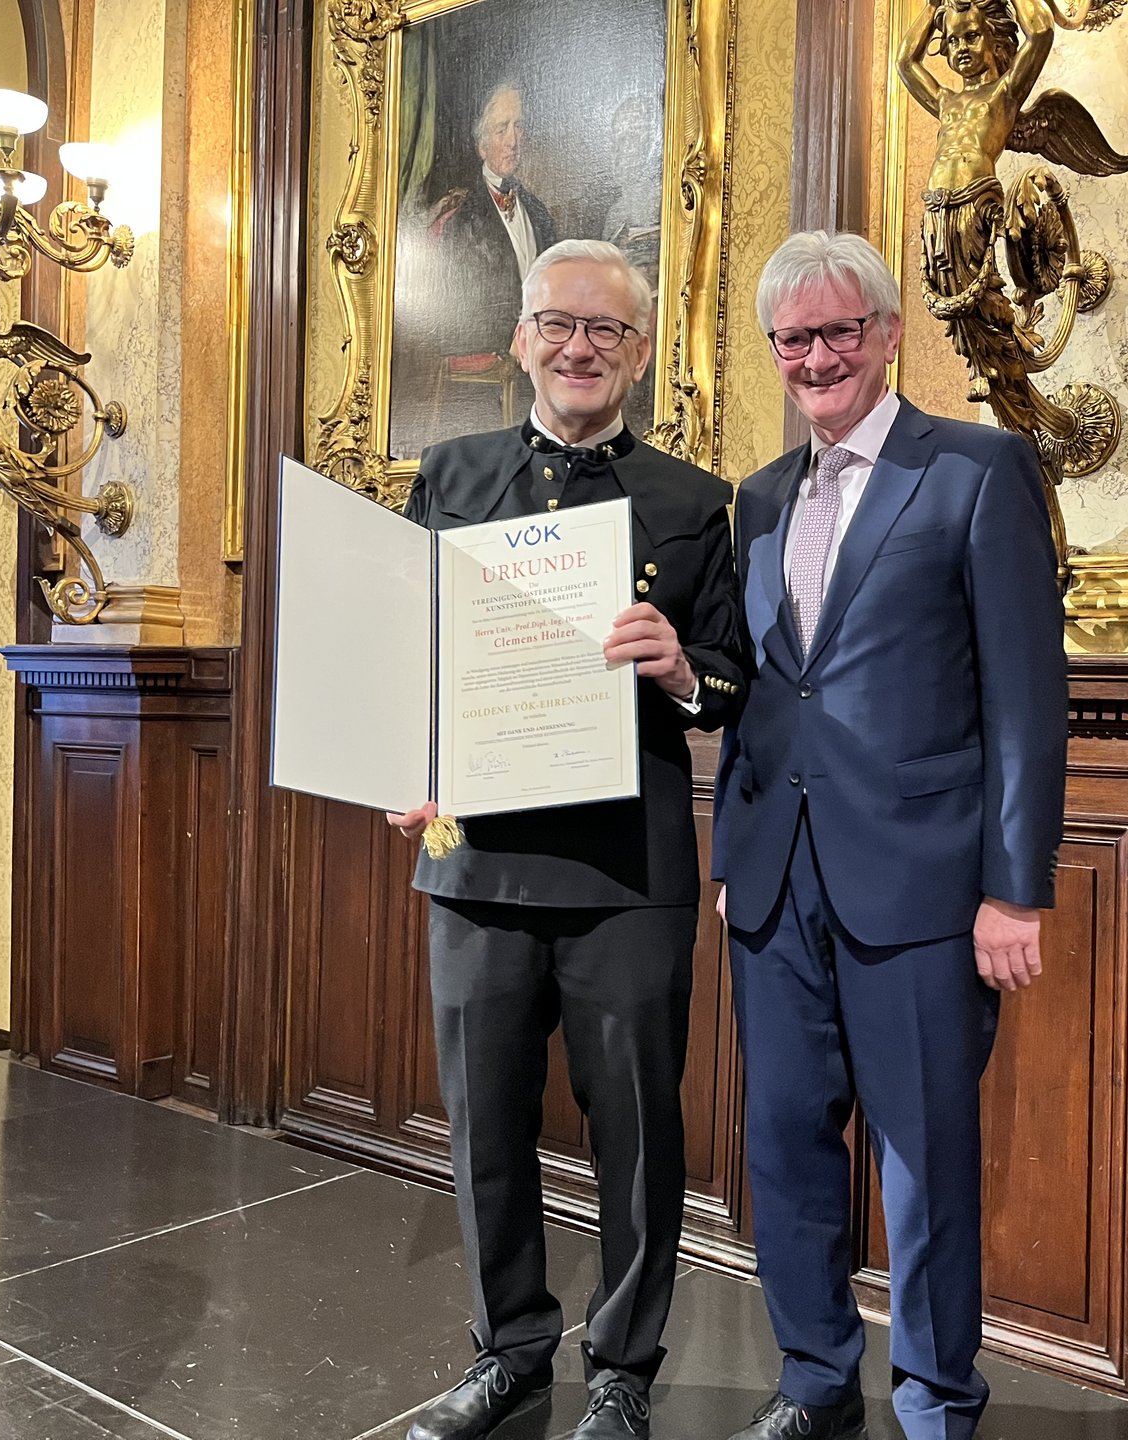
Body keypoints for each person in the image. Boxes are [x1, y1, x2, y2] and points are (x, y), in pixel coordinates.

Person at [711, 230, 1067, 1440]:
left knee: (923, 1166)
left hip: (921, 886)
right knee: (784, 1147)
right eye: (794, 339)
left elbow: (1026, 699)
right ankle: (815, 1384)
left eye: (839, 330)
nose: (817, 357)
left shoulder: (975, 471)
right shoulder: (756, 498)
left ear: (889, 330)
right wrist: (729, 861)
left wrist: (1016, 893)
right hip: (774, 885)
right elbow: (769, 690)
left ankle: (933, 1399)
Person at [388, 238, 747, 1440]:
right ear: (524, 334)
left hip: (628, 868)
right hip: (472, 854)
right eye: (558, 325)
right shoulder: (449, 473)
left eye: (607, 331)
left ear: (639, 352)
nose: (580, 347)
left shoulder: (700, 503)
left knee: (638, 1128)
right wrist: (399, 764)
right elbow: (405, 655)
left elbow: (741, 678)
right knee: (485, 1118)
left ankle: (625, 1368)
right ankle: (509, 1350)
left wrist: (683, 667)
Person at [419, 81, 559, 440]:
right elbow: (455, 312)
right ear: (482, 145)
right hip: (502, 352)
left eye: (519, 126)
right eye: (502, 129)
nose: (513, 139)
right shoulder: (462, 220)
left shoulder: (539, 214)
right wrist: (510, 337)